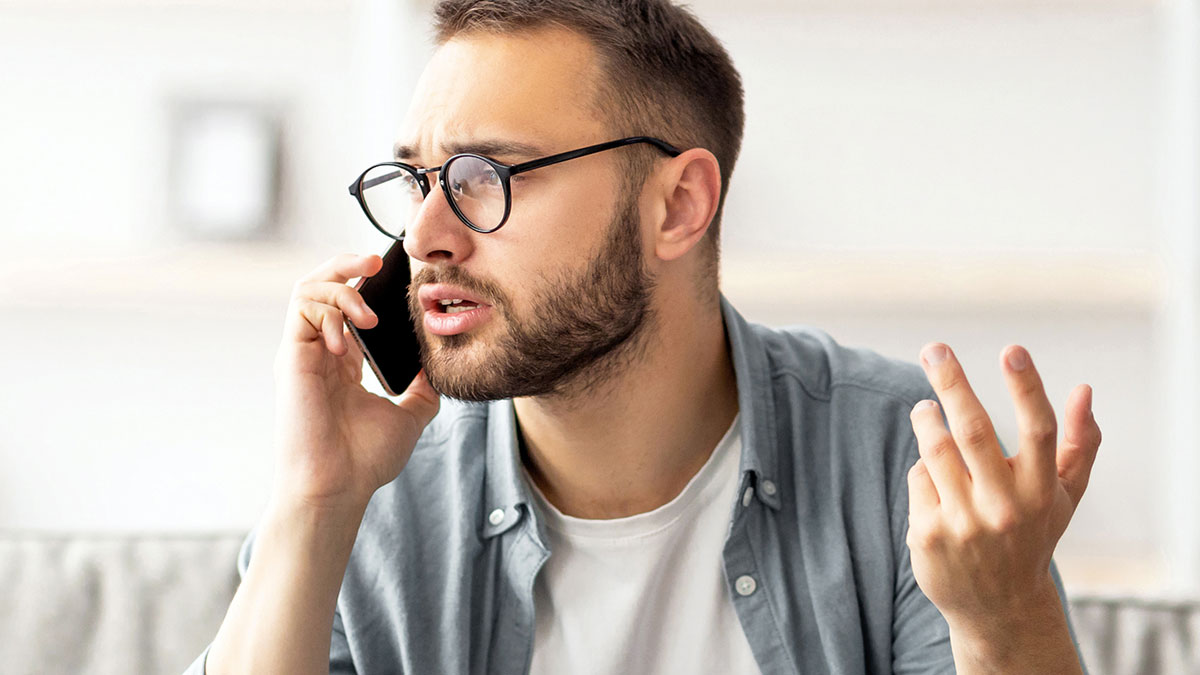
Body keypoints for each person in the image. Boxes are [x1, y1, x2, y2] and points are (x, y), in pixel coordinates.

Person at [185, 1, 1102, 673]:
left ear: (679, 205)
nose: (424, 234)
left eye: (485, 173)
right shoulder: (376, 497)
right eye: (417, 179)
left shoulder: (895, 458)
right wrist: (316, 500)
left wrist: (1006, 619)